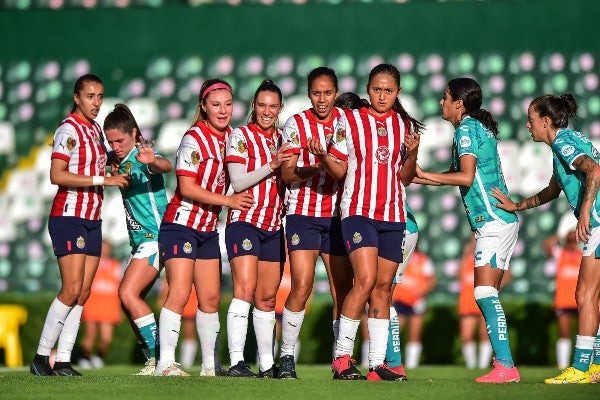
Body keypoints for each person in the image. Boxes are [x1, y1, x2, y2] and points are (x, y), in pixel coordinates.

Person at [316, 63, 421, 381]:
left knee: (383, 289)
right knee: (364, 280)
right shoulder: (350, 120)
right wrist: (324, 158)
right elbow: (340, 171)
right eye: (377, 89)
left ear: (398, 92)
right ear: (368, 89)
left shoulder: (404, 126)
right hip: (358, 212)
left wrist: (413, 154)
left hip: (392, 216)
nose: (382, 95)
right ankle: (341, 359)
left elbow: (405, 177)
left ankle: (377, 364)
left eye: (389, 90)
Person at [416, 77, 520, 383]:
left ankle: (505, 366)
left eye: (445, 98)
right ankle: (504, 364)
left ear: (458, 103)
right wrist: (419, 177)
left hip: (492, 221)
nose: (441, 103)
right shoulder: (473, 127)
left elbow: (465, 177)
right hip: (498, 221)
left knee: (484, 292)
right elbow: (457, 174)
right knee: (489, 293)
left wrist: (423, 174)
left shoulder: (466, 129)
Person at [491, 93, 600, 384]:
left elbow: (594, 170)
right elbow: (553, 190)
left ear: (546, 121)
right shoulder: (564, 144)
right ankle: (596, 366)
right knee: (594, 296)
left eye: (531, 120)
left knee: (584, 295)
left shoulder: (563, 142)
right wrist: (518, 205)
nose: (528, 126)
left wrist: (587, 210)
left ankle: (580, 368)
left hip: (599, 223)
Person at [30, 74, 130, 377]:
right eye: (89, 96)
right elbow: (57, 175)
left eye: (99, 96)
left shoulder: (96, 131)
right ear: (77, 98)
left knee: (83, 293)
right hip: (69, 216)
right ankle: (40, 356)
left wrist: (116, 159)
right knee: (71, 288)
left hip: (91, 218)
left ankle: (63, 360)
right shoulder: (69, 129)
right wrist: (105, 179)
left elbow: (97, 162)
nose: (96, 102)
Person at [156, 79, 253, 377]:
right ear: (203, 107)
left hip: (208, 229)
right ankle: (165, 364)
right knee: (180, 291)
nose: (223, 111)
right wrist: (229, 200)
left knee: (210, 298)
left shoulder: (234, 137)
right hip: (181, 225)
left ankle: (210, 366)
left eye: (227, 104)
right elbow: (186, 186)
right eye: (216, 105)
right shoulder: (193, 139)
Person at [277, 70, 356, 379]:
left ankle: (341, 361)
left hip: (338, 216)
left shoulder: (345, 122)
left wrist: (322, 160)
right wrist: (319, 163)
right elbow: (288, 175)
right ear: (309, 94)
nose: (322, 100)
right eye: (316, 93)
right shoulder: (295, 124)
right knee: (302, 285)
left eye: (327, 93)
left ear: (336, 93)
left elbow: (342, 173)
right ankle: (286, 357)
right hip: (303, 216)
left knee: (342, 291)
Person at [224, 79, 290, 378]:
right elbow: (237, 182)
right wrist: (272, 165)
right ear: (253, 106)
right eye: (261, 105)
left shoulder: (285, 140)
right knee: (245, 288)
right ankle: (237, 361)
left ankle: (266, 365)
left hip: (274, 225)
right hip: (245, 221)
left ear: (280, 109)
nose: (267, 111)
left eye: (272, 106)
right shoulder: (240, 135)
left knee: (267, 298)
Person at [103, 103, 172, 376]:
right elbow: (105, 159)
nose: (115, 146)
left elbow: (165, 166)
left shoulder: (144, 155)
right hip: (140, 242)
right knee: (129, 300)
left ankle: (160, 358)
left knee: (127, 293)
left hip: (156, 237)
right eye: (111, 141)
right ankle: (153, 358)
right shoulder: (118, 159)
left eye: (120, 140)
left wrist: (152, 161)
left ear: (133, 133)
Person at [542, 220, 581, 370]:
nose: (572, 236)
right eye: (569, 235)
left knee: (583, 333)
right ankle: (563, 365)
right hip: (563, 301)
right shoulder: (560, 253)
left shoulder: (583, 254)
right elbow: (546, 245)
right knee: (563, 333)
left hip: (580, 300)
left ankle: (581, 365)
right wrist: (560, 235)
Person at [390, 244, 436, 369]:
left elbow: (432, 280)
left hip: (417, 301)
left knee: (415, 333)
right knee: (395, 332)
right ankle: (392, 362)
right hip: (399, 299)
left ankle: (412, 365)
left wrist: (422, 290)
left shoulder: (423, 259)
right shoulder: (397, 257)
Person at [78, 240, 122, 369]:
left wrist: (119, 307)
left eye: (107, 248)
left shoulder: (116, 265)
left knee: (106, 338)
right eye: (102, 247)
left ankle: (99, 357)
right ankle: (85, 357)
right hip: (92, 304)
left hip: (109, 306)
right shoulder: (91, 262)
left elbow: (120, 286)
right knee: (90, 335)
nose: (104, 250)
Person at [458, 234, 492, 370]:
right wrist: (464, 255)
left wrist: (493, 287)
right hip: (467, 302)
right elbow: (459, 275)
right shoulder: (467, 259)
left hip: (484, 300)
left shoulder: (488, 256)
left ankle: (483, 366)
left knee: (485, 335)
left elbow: (507, 274)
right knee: (466, 336)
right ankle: (471, 366)